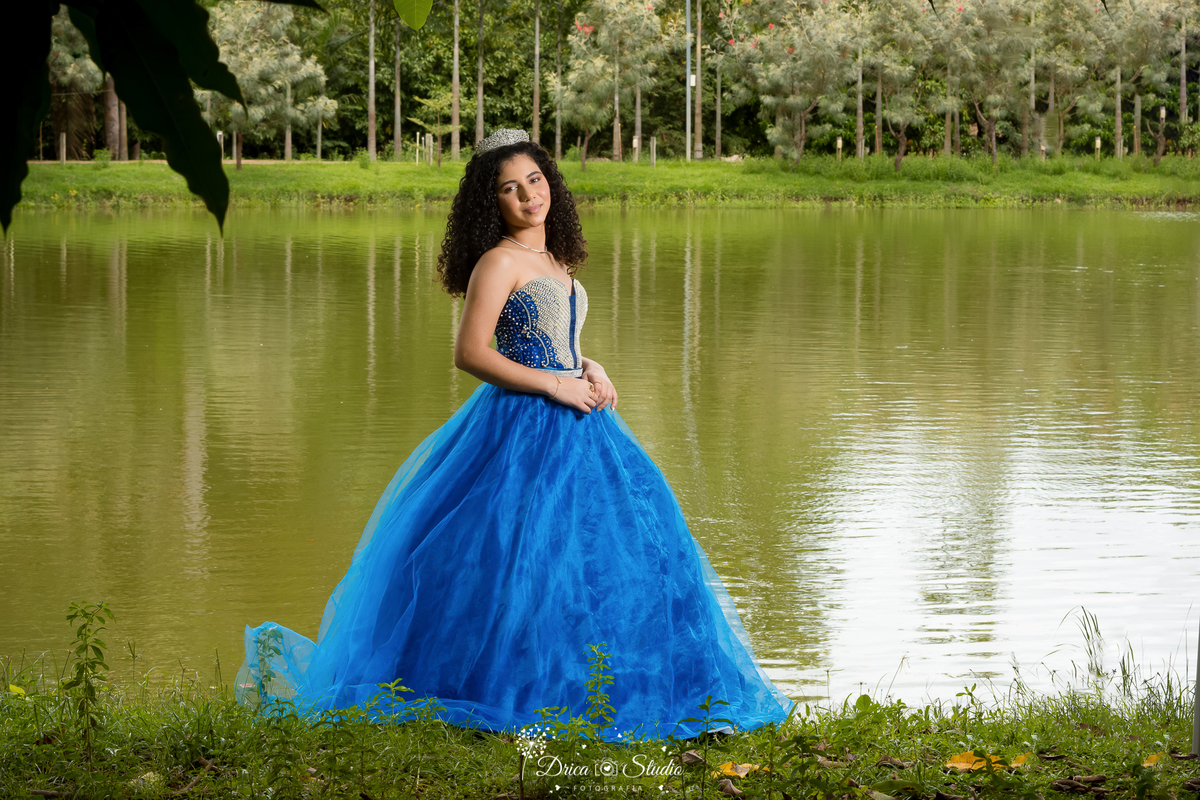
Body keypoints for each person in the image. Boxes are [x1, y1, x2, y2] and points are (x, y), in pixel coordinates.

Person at [236, 129, 794, 742]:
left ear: (550, 182)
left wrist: (588, 365)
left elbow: (557, 341)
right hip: (522, 426)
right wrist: (554, 387)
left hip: (582, 419)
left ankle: (599, 688)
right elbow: (471, 352)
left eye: (535, 180)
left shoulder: (558, 261)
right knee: (515, 557)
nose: (529, 195)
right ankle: (494, 691)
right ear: (492, 202)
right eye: (510, 188)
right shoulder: (498, 261)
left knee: (604, 557)